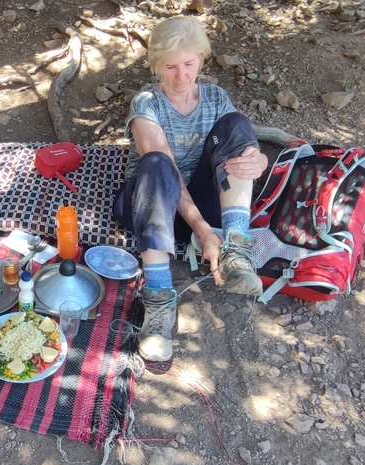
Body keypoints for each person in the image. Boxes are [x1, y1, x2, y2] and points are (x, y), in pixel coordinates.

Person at [113, 16, 268, 362]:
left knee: (237, 125)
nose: (181, 76)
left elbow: (240, 144)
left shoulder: (215, 97)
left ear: (201, 59)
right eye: (170, 66)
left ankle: (236, 249)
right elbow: (164, 164)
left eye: (189, 64)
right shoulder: (146, 103)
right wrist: (201, 229)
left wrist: (257, 160)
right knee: (156, 163)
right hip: (150, 208)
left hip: (203, 203)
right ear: (156, 65)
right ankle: (157, 297)